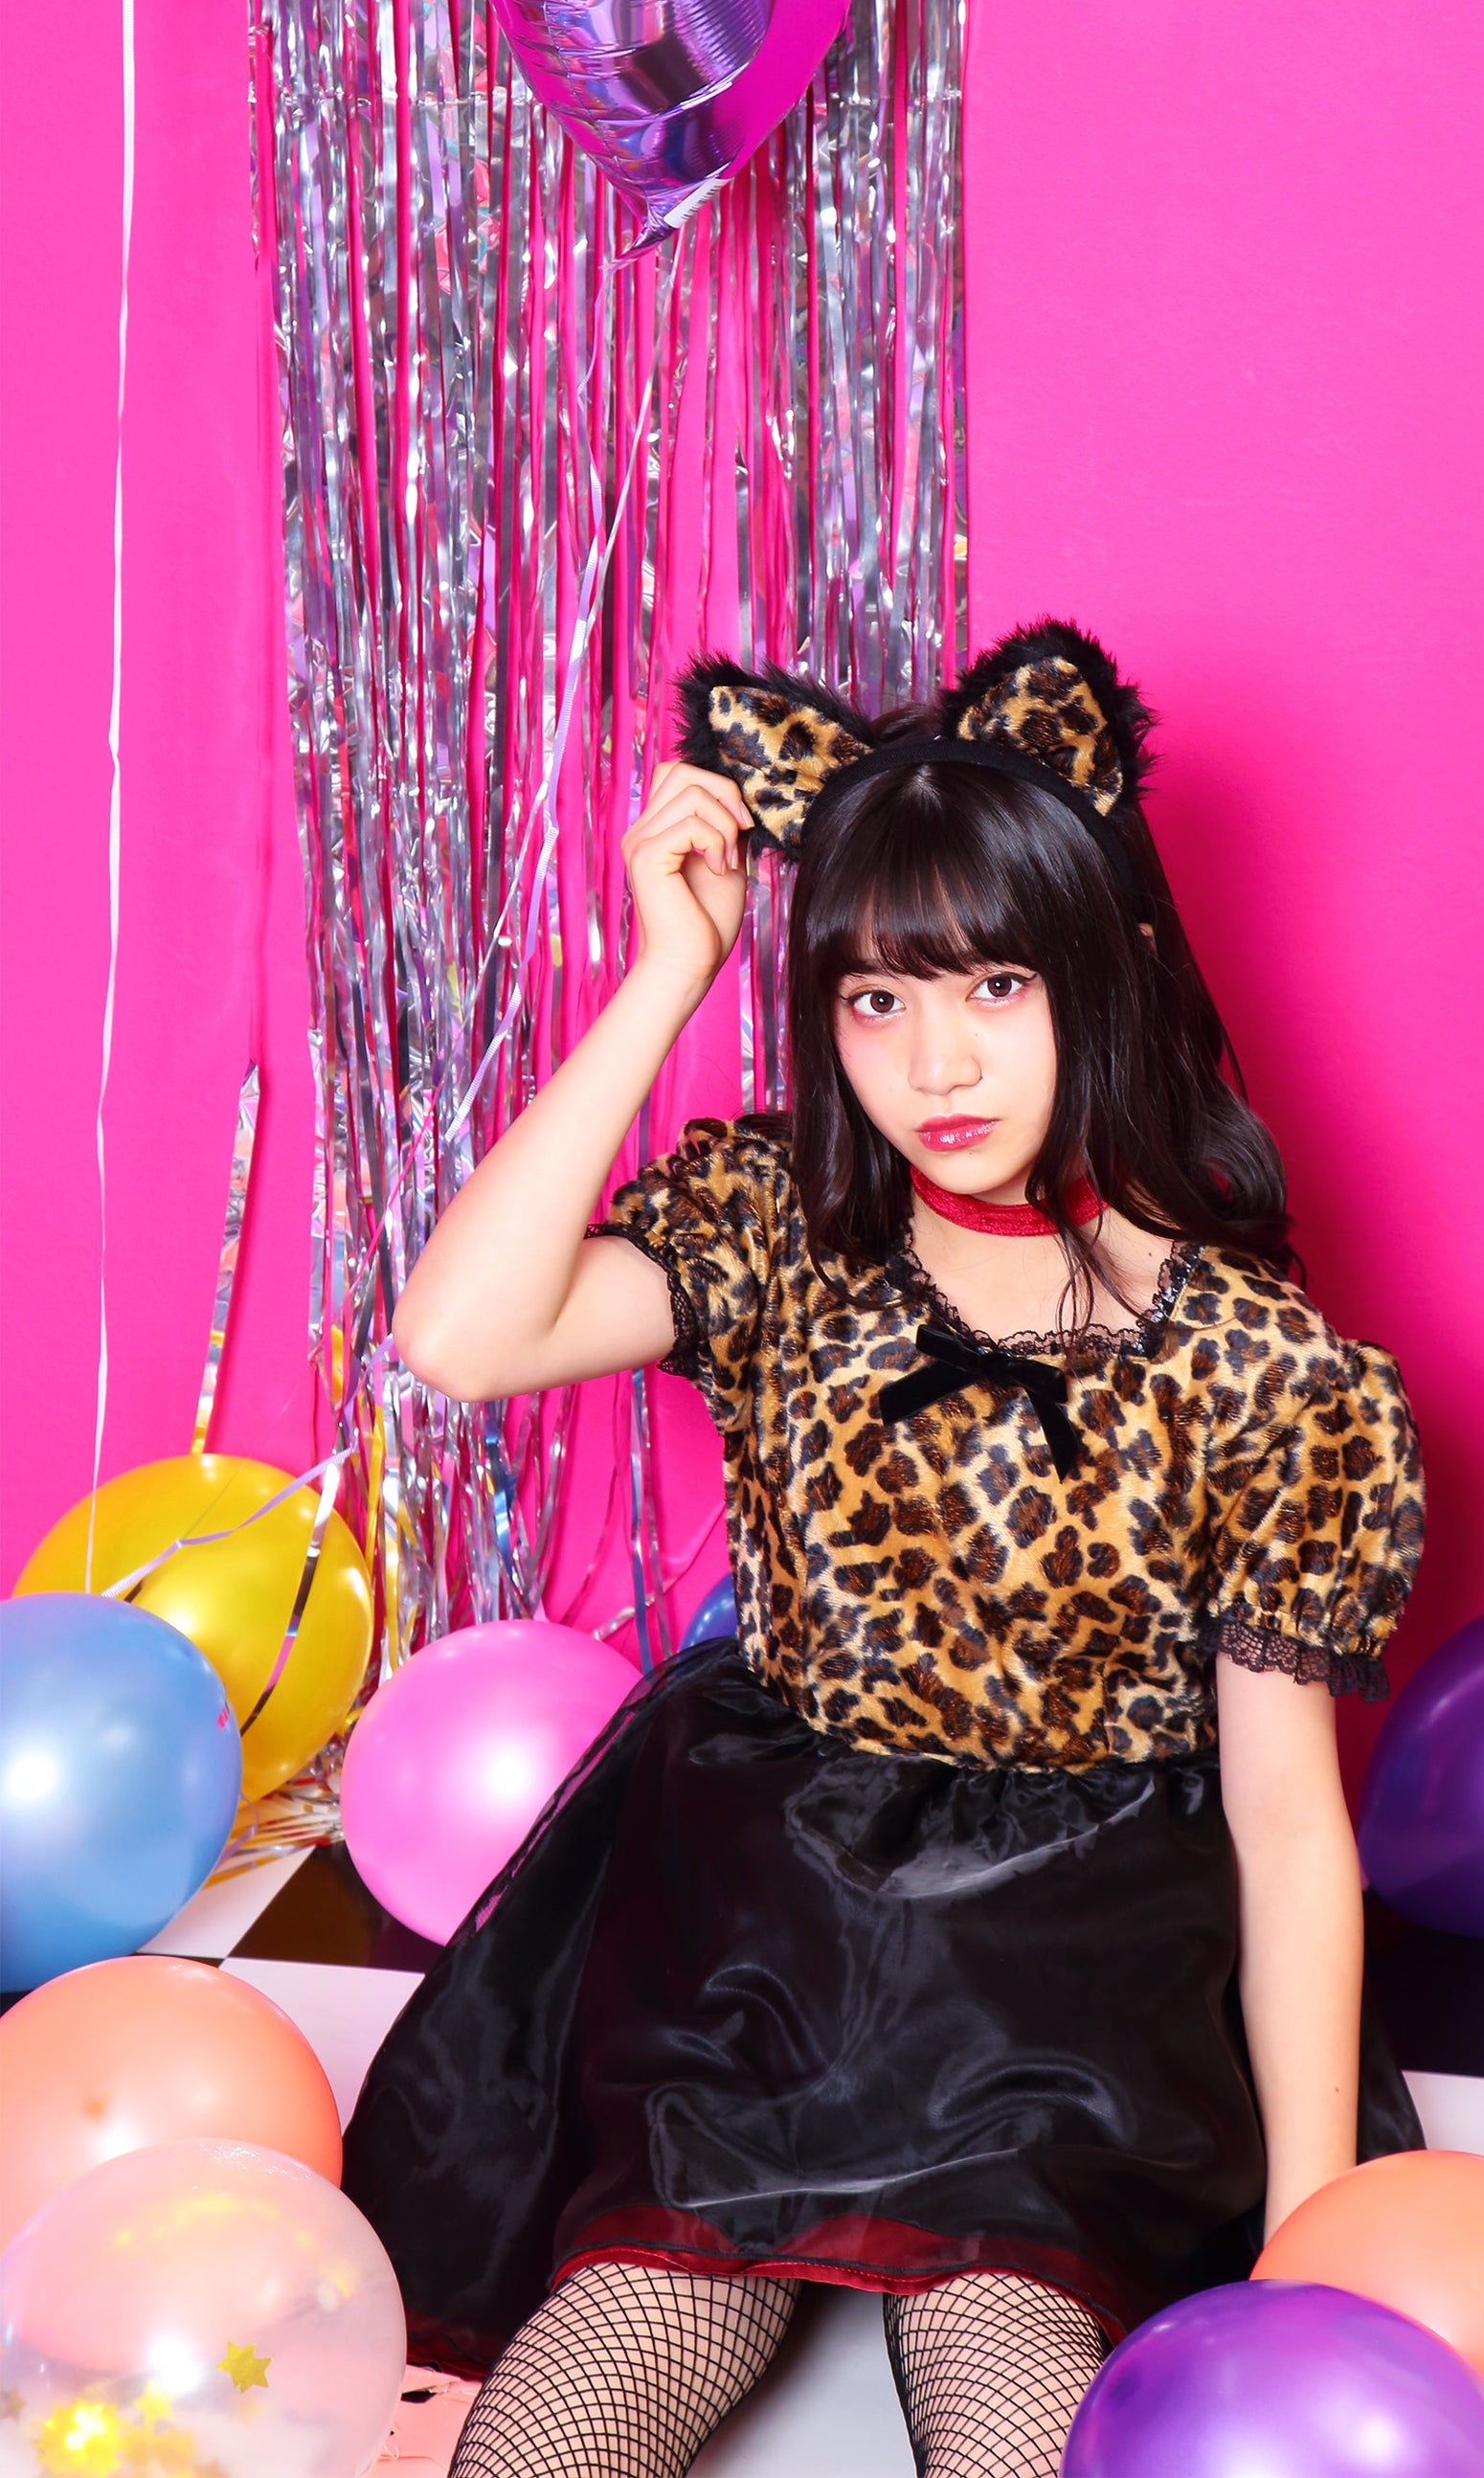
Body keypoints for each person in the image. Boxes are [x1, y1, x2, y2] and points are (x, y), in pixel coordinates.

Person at [348, 620, 1427, 2478]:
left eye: (995, 985)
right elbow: (456, 1338)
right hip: (772, 1923)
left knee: (1012, 2385)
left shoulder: (1264, 1368)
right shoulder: (781, 1232)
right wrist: (665, 975)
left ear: (1110, 967)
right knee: (594, 2372)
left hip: (1068, 1966)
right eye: (872, 999)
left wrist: (1307, 2232)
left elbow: (1284, 1824)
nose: (935, 1060)